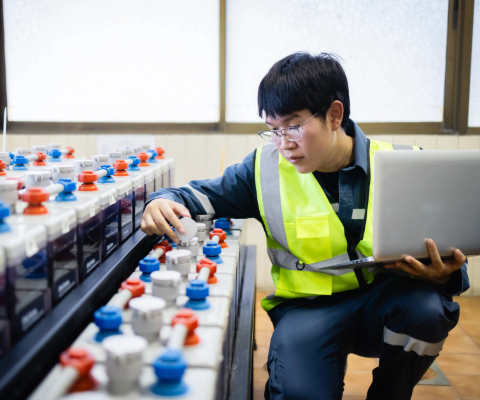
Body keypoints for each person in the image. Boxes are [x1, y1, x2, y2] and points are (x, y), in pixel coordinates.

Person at [140, 52, 469, 400]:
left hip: (385, 301)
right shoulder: (262, 171)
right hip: (308, 310)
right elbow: (194, 194)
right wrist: (159, 200)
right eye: (273, 130)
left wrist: (445, 275)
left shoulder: (406, 164)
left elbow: (451, 258)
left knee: (429, 310)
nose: (283, 144)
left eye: (293, 126)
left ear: (334, 114)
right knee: (299, 394)